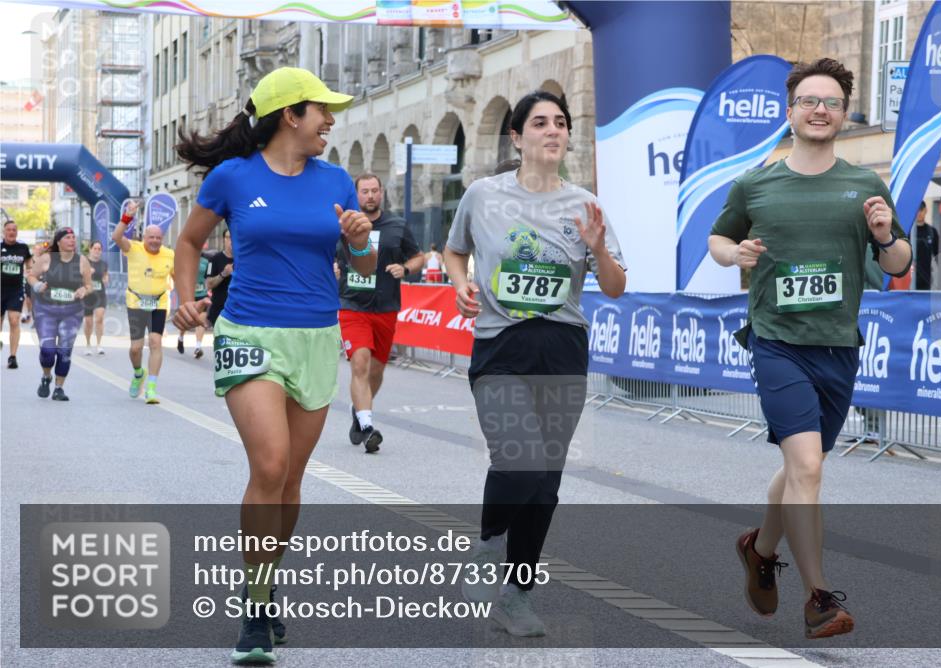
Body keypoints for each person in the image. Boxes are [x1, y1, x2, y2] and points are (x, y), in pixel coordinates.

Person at [172, 67, 371, 665]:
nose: (330, 122)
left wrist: (359, 239)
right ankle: (256, 609)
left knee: (288, 482)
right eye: (322, 111)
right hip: (249, 332)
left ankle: (262, 580)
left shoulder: (335, 179)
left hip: (315, 337)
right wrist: (184, 296)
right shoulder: (233, 178)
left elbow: (357, 259)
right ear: (291, 115)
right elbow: (189, 244)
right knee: (271, 462)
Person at [709, 58, 911, 640]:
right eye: (809, 100)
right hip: (776, 342)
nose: (819, 109)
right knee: (807, 467)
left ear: (843, 115)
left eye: (830, 102)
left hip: (838, 346)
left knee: (804, 467)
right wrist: (734, 255)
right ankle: (819, 597)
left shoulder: (867, 184)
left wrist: (883, 235)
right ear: (789, 111)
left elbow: (897, 262)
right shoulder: (756, 182)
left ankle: (760, 549)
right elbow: (719, 236)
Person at [445, 90, 626, 637]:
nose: (553, 130)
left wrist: (597, 249)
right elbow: (455, 249)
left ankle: (516, 595)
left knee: (545, 481)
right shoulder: (482, 195)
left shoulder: (586, 204)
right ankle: (488, 544)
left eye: (561, 123)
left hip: (563, 347)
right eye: (540, 122)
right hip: (502, 344)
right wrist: (460, 283)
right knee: (519, 460)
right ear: (518, 137)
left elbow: (616, 288)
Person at [338, 172, 424, 453]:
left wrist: (406, 268)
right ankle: (367, 426)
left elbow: (418, 256)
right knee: (360, 363)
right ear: (356, 194)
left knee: (376, 371)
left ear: (382, 193)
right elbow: (325, 253)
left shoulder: (397, 226)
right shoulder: (344, 225)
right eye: (365, 191)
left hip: (386, 307)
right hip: (352, 306)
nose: (370, 196)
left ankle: (359, 411)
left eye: (375, 191)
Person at [111, 202, 175, 405]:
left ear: (162, 239)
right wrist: (127, 217)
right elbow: (116, 238)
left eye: (158, 238)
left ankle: (151, 389)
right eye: (151, 237)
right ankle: (139, 373)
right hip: (137, 302)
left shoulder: (169, 254)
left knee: (156, 342)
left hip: (159, 302)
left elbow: (177, 276)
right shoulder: (134, 248)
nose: (155, 241)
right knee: (135, 349)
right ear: (144, 238)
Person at [26, 227, 93, 400]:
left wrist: (84, 290)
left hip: (71, 311)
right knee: (48, 351)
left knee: (64, 350)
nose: (72, 240)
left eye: (73, 237)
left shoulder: (82, 261)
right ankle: (47, 376)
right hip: (46, 310)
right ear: (59, 241)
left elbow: (89, 285)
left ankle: (59, 388)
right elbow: (31, 276)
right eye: (68, 237)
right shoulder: (47, 259)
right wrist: (37, 285)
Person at [1, 220, 32, 368]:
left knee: (14, 320)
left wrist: (32, 273)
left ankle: (12, 357)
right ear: (3, 232)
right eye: (9, 230)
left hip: (16, 290)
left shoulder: (23, 248)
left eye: (14, 230)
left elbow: (29, 265)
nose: (11, 232)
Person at [177, 250, 211, 358]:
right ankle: (181, 338)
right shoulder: (185, 258)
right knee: (187, 320)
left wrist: (209, 289)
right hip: (189, 293)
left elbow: (208, 277)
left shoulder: (207, 261)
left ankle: (198, 347)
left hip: (202, 293)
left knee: (201, 320)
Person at [82, 240, 109, 355]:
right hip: (87, 295)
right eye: (95, 248)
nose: (97, 251)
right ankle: (88, 344)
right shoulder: (84, 262)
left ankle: (99, 344)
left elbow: (105, 276)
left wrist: (106, 279)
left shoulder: (103, 264)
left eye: (99, 249)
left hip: (100, 295)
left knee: (99, 318)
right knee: (88, 322)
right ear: (90, 249)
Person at [205, 227, 234, 327]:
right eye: (229, 237)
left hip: (239, 308)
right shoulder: (214, 259)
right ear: (224, 240)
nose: (232, 240)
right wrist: (223, 274)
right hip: (220, 309)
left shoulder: (244, 259)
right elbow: (208, 284)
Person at [911, 200, 938, 290]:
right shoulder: (907, 232)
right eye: (916, 210)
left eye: (921, 210)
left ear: (926, 210)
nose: (918, 213)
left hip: (926, 279)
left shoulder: (932, 231)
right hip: (909, 278)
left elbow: (938, 255)